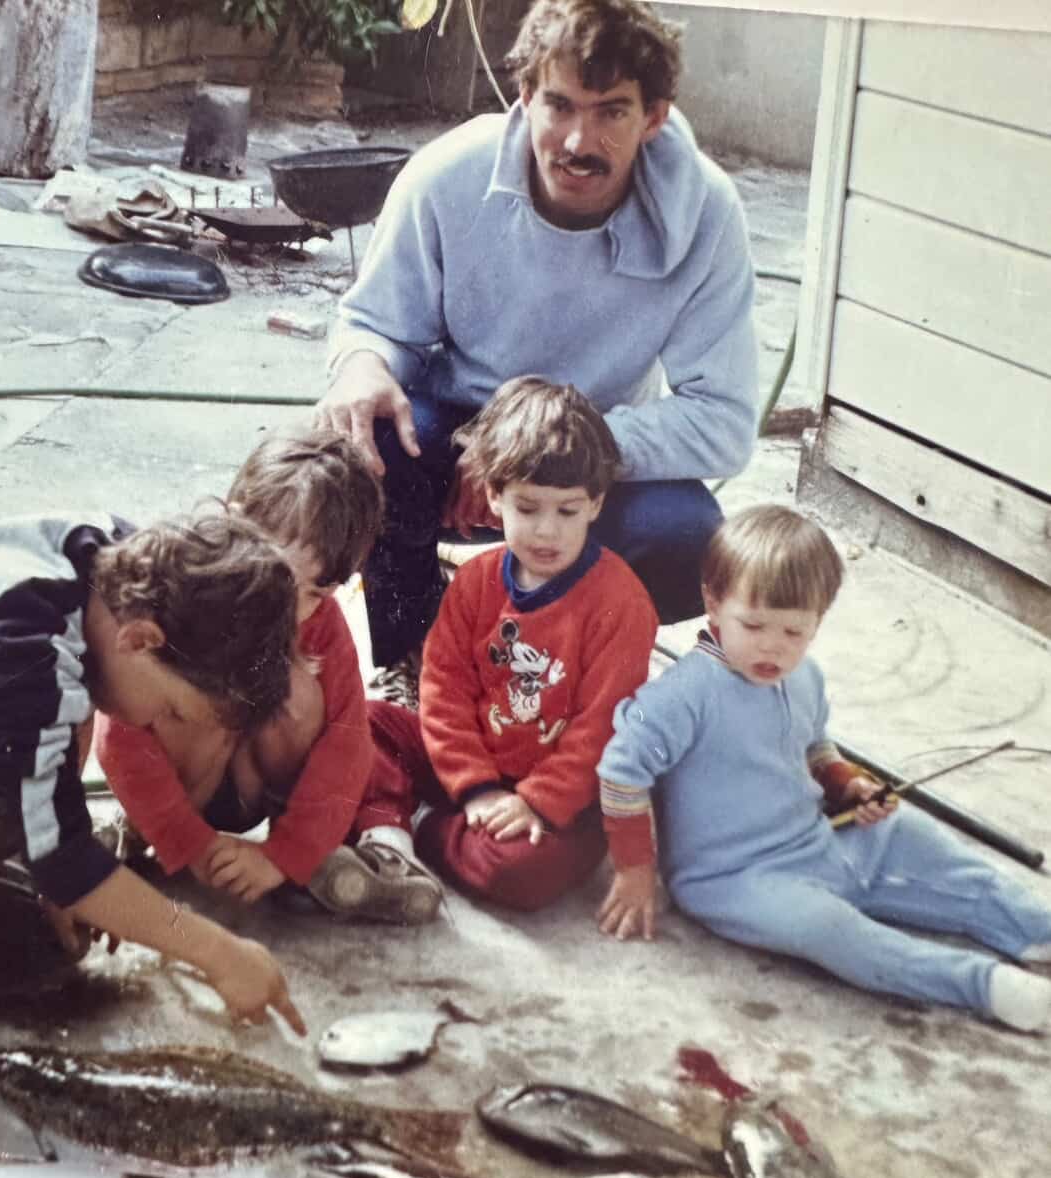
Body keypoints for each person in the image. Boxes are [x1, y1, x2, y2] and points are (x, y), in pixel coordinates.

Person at [314, 0, 757, 678]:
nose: (579, 142)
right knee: (364, 449)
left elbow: (724, 421)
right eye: (560, 106)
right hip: (459, 426)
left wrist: (544, 457)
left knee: (689, 537)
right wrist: (360, 366)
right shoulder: (447, 174)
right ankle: (416, 660)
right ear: (524, 98)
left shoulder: (708, 211)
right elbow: (375, 324)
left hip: (593, 440)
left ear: (654, 117)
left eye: (611, 111)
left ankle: (555, 666)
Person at [0, 505, 306, 1034]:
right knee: (2, 794)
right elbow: (63, 854)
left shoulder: (119, 567)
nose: (161, 725)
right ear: (140, 640)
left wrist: (74, 878)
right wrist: (220, 953)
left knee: (35, 921)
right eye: (171, 710)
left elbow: (61, 733)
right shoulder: (25, 650)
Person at [597, 504, 1051, 1029]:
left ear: (819, 620)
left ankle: (1033, 928)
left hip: (823, 839)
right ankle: (982, 985)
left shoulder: (804, 677)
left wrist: (850, 787)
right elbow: (622, 773)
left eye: (794, 632)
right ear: (714, 603)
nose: (772, 645)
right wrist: (635, 871)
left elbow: (815, 748)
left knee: (928, 843)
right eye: (754, 624)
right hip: (736, 877)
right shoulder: (683, 697)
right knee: (835, 931)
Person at [95, 434, 444, 925]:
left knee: (304, 692)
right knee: (174, 690)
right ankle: (140, 830)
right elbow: (120, 732)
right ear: (233, 522)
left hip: (265, 785)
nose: (286, 608)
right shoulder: (189, 597)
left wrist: (285, 853)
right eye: (276, 576)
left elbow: (347, 745)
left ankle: (313, 860)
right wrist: (186, 842)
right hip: (192, 785)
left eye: (313, 592)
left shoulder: (321, 627)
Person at [351, 377, 659, 931]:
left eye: (568, 511)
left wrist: (534, 803)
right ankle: (391, 835)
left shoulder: (622, 602)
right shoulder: (476, 581)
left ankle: (416, 826)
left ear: (596, 503)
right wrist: (474, 786)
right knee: (363, 721)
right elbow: (443, 690)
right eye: (528, 506)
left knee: (519, 873)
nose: (546, 530)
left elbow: (603, 731)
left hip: (558, 792)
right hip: (471, 767)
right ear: (493, 495)